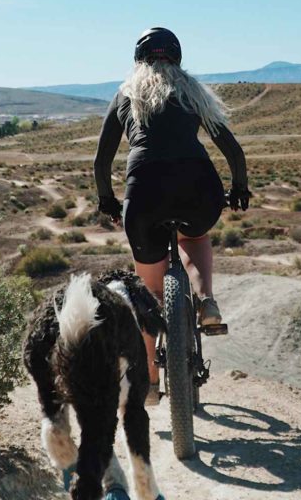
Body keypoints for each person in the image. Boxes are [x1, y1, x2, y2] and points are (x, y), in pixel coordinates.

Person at [93, 27, 250, 405]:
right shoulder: (193, 91)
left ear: (139, 58)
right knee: (194, 237)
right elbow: (231, 148)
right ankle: (206, 300)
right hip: (198, 188)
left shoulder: (126, 93)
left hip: (144, 192)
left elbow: (101, 161)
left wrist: (108, 201)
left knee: (149, 292)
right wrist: (239, 188)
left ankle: (148, 381)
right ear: (177, 57)